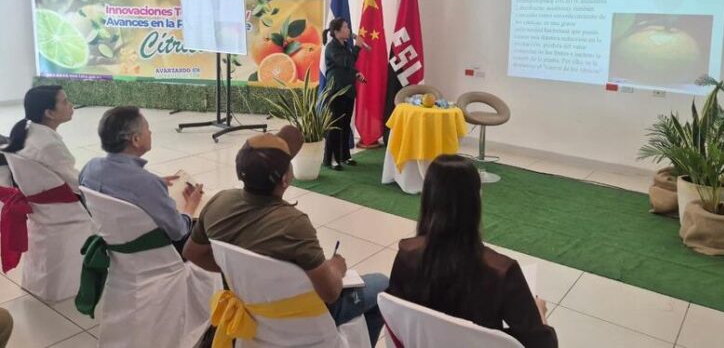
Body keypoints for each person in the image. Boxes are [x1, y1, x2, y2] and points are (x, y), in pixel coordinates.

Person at [183, 126, 388, 347]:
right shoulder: (294, 224)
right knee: (382, 284)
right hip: (305, 319)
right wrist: (337, 266)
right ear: (284, 180)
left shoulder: (218, 204)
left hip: (251, 313)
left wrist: (241, 273)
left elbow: (191, 252)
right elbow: (330, 293)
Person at [387, 155, 558, 348]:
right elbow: (543, 344)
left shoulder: (406, 254)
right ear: (477, 199)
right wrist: (541, 316)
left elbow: (396, 315)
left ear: (428, 198)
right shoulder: (501, 271)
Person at [79, 106, 203, 253]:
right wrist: (190, 207)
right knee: (205, 224)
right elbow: (179, 231)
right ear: (136, 139)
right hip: (157, 256)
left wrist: (156, 184)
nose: (150, 132)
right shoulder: (147, 183)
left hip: (114, 252)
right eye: (148, 129)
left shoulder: (90, 168)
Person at [2, 85, 79, 193]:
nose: (71, 105)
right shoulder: (49, 145)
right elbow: (76, 185)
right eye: (65, 102)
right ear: (49, 113)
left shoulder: (25, 131)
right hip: (64, 201)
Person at [322, 17, 370, 171]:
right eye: (345, 27)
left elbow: (347, 66)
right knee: (335, 125)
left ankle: (344, 156)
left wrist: (356, 74)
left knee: (345, 125)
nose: (348, 30)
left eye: (348, 27)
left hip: (348, 90)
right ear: (336, 32)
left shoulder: (344, 46)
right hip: (336, 91)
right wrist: (358, 47)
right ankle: (330, 160)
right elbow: (347, 62)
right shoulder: (331, 47)